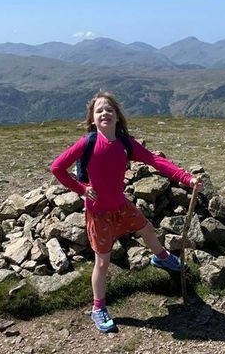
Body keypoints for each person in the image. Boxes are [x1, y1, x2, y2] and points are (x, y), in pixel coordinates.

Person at [50, 91, 203, 333]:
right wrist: (81, 188)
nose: (105, 113)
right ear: (92, 119)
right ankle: (98, 308)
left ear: (118, 116)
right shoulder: (88, 142)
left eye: (109, 110)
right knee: (102, 262)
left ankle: (161, 258)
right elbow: (57, 167)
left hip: (121, 205)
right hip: (98, 213)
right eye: (99, 110)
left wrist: (186, 178)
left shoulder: (125, 144)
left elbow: (155, 160)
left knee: (146, 228)